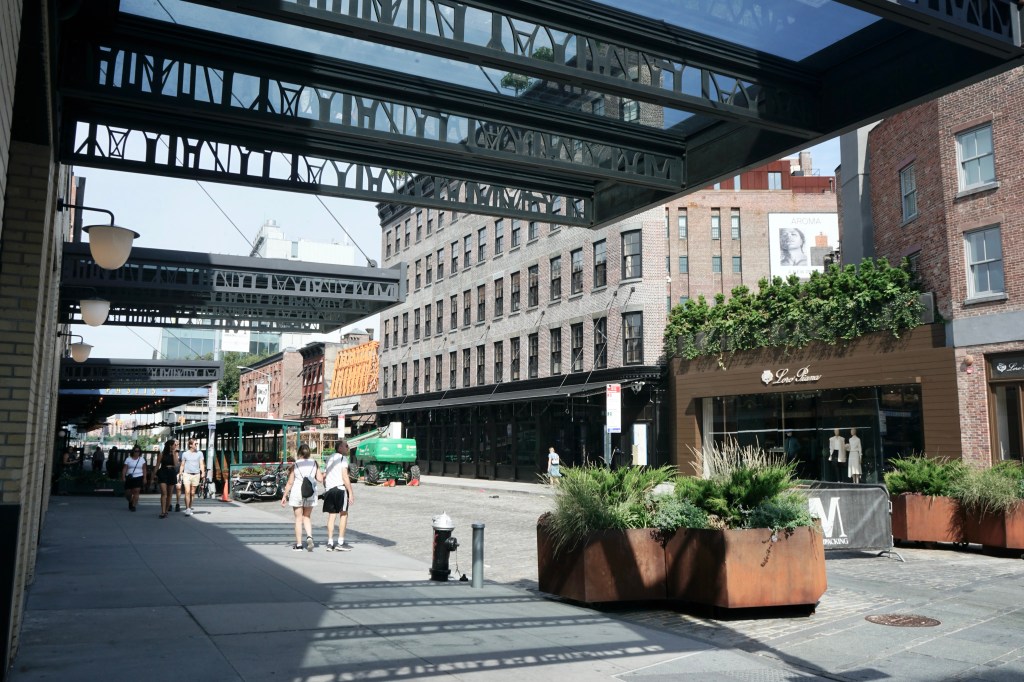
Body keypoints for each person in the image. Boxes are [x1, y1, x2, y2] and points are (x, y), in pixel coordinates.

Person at [319, 440, 355, 551]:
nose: (347, 448)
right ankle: (340, 542)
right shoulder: (343, 459)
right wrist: (350, 492)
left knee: (332, 515)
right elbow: (345, 476)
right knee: (343, 514)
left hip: (329, 489)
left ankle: (330, 543)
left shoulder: (329, 458)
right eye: (346, 446)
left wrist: (326, 488)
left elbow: (324, 476)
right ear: (340, 448)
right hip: (340, 489)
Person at [282, 444, 319, 551]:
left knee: (298, 519)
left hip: (297, 492)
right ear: (309, 453)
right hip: (310, 493)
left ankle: (299, 545)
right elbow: (320, 478)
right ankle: (309, 537)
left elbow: (290, 482)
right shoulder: (314, 463)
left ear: (299, 453)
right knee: (307, 517)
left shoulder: (296, 464)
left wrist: (284, 496)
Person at [177, 439, 205, 516]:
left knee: (192, 493)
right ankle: (187, 509)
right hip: (187, 474)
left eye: (197, 444)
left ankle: (189, 507)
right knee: (187, 491)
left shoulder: (200, 453)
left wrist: (203, 472)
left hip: (196, 474)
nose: (196, 445)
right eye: (195, 444)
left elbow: (201, 464)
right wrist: (180, 474)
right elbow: (182, 464)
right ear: (190, 445)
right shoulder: (185, 454)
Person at [156, 439, 180, 518]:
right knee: (164, 493)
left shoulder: (175, 454)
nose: (176, 446)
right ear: (170, 445)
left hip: (171, 473)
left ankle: (166, 511)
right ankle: (162, 511)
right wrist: (154, 475)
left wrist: (174, 453)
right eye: (174, 445)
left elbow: (176, 464)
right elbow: (157, 465)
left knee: (169, 494)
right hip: (163, 472)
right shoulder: (162, 454)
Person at [122, 445, 148, 512]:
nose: (137, 452)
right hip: (129, 477)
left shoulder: (142, 459)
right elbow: (125, 468)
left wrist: (145, 478)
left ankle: (133, 506)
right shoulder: (128, 459)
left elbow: (144, 469)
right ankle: (130, 501)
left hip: (139, 477)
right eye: (136, 451)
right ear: (133, 451)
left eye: (138, 451)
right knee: (128, 493)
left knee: (136, 491)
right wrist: (123, 476)